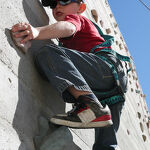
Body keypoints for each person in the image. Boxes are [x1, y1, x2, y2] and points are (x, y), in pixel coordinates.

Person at [11, 0, 128, 149]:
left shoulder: (77, 18)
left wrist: (37, 32)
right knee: (105, 141)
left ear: (81, 7)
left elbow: (68, 27)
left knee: (47, 54)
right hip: (112, 91)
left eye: (65, 0)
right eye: (53, 5)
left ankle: (89, 105)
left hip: (104, 69)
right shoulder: (71, 40)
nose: (58, 6)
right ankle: (94, 108)